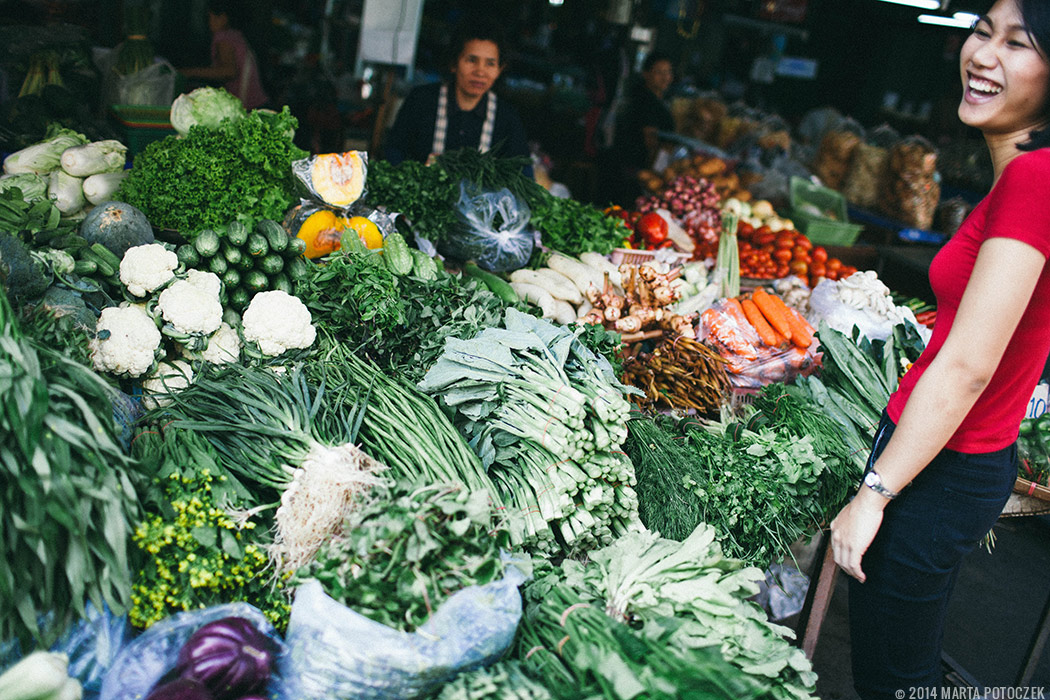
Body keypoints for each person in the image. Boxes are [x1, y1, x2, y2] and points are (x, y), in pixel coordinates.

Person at [829, 1, 1050, 696]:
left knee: (896, 678)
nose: (984, 54)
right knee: (896, 665)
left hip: (945, 467)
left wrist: (874, 494)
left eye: (1018, 44)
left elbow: (967, 366)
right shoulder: (1024, 177)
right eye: (983, 32)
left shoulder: (1035, 180)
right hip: (953, 458)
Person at [383, 18, 530, 168]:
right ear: (453, 63)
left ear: (500, 69)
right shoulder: (421, 100)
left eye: (490, 64)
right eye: (471, 60)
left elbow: (523, 171)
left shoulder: (507, 118)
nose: (480, 72)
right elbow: (393, 151)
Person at [605, 51, 675, 205]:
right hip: (633, 169)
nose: (665, 77)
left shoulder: (657, 100)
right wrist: (654, 173)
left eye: (668, 72)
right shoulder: (645, 101)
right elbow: (650, 139)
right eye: (659, 72)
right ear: (646, 73)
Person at [181, 0, 268, 110]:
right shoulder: (235, 36)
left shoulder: (224, 39)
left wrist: (190, 72)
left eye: (211, 18)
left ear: (223, 18)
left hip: (248, 105)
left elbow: (229, 71)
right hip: (256, 102)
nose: (209, 22)